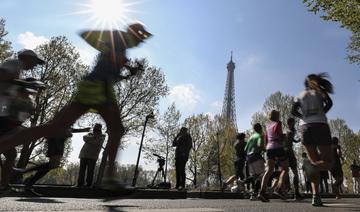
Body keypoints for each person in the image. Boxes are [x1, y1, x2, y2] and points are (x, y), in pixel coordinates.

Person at [0, 23, 152, 190]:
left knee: (53, 128)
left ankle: (3, 145)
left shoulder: (121, 46)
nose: (142, 41)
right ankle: (110, 178)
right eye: (142, 36)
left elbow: (110, 64)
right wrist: (111, 47)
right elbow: (88, 34)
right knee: (116, 129)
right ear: (134, 33)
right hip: (99, 88)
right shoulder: (120, 39)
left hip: (93, 86)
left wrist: (127, 68)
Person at [0, 50, 45, 190]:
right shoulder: (14, 63)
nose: (34, 66)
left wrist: (25, 89)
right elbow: (2, 77)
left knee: (11, 152)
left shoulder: (17, 69)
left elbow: (10, 88)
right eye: (34, 62)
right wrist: (25, 84)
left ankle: (4, 184)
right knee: (11, 147)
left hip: (3, 113)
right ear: (26, 58)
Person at [291, 73, 334, 206]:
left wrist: (303, 116)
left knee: (314, 163)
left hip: (305, 127)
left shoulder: (299, 95)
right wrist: (322, 112)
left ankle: (316, 196)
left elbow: (293, 111)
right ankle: (313, 166)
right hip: (320, 125)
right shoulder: (320, 92)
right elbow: (330, 103)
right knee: (328, 162)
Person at [258, 110, 289, 202]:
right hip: (278, 147)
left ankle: (262, 192)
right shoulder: (278, 123)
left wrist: (266, 148)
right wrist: (285, 136)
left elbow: (266, 139)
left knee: (269, 170)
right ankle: (279, 189)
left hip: (269, 148)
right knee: (285, 169)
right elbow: (278, 134)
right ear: (277, 116)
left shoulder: (267, 125)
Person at [77, 123, 105, 187]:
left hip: (92, 156)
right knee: (81, 171)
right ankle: (79, 184)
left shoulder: (102, 136)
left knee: (90, 171)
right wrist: (94, 137)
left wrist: (89, 140)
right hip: (83, 154)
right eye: (95, 127)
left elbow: (96, 143)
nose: (95, 128)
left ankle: (88, 185)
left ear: (100, 128)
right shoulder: (90, 134)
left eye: (97, 127)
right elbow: (84, 138)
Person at [244, 123, 265, 200]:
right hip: (256, 156)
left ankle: (253, 193)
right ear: (260, 128)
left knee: (255, 177)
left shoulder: (250, 137)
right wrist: (264, 149)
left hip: (249, 158)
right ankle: (255, 193)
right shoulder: (260, 135)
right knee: (262, 175)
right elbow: (260, 145)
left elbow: (245, 149)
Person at [283, 117, 302, 199]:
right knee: (293, 173)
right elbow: (288, 139)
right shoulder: (290, 131)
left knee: (286, 172)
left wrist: (297, 141)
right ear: (290, 123)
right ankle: (294, 192)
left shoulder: (289, 131)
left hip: (286, 152)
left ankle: (290, 191)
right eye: (293, 123)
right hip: (288, 153)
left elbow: (290, 139)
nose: (294, 124)